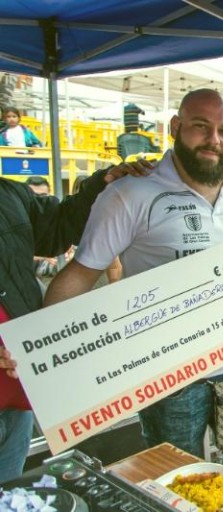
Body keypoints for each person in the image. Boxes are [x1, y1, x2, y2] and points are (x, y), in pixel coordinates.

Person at [42, 89, 223, 480]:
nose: (214, 140)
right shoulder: (129, 194)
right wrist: (38, 348)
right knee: (177, 487)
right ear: (175, 127)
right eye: (201, 126)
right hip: (169, 380)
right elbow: (80, 273)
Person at [0, 161, 150, 483]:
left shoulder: (7, 193)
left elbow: (56, 229)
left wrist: (101, 184)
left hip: (16, 395)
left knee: (8, 491)